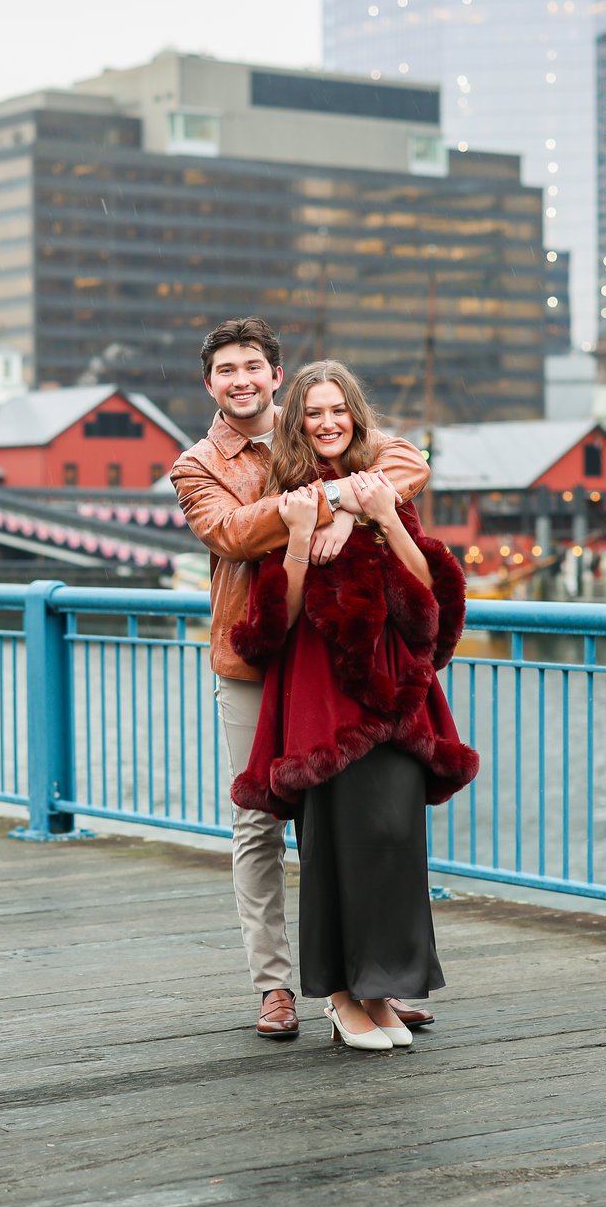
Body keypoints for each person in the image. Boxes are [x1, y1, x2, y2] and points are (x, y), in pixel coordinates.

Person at [171, 318, 435, 1042]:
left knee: (346, 817)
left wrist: (343, 505)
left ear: (275, 374)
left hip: (326, 656)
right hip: (254, 657)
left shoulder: (319, 419)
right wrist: (337, 501)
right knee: (260, 821)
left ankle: (368, 977)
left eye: (252, 366)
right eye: (227, 370)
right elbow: (232, 533)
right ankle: (276, 985)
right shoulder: (197, 464)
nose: (242, 380)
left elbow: (407, 461)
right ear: (209, 384)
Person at [229, 360, 478, 1051]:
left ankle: (381, 988)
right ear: (297, 421)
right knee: (332, 845)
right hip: (320, 696)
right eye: (313, 412)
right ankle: (341, 999)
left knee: (394, 839)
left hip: (394, 694)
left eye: (338, 409)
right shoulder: (286, 497)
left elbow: (430, 603)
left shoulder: (382, 484)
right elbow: (271, 626)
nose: (328, 422)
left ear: (355, 414)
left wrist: (381, 517)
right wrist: (301, 539)